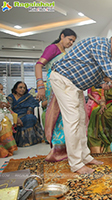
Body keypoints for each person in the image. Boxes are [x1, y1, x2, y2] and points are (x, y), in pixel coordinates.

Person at [49, 34, 112, 174]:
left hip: (74, 85)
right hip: (63, 80)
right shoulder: (100, 44)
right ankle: (76, 164)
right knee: (73, 122)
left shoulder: (102, 53)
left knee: (82, 121)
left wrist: (101, 84)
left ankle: (85, 156)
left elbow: (90, 75)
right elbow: (110, 71)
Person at [35, 28, 77, 162]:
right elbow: (38, 65)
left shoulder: (64, 52)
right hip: (54, 86)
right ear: (62, 36)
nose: (71, 43)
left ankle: (63, 150)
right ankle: (56, 151)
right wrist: (40, 85)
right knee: (57, 116)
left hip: (64, 87)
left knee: (65, 117)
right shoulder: (53, 48)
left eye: (73, 41)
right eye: (70, 39)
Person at [7, 82, 44, 147]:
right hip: (14, 115)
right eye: (20, 87)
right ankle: (20, 141)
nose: (22, 89)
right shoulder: (11, 97)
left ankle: (30, 141)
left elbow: (34, 103)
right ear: (15, 89)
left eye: (24, 88)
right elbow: (9, 108)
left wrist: (30, 109)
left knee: (30, 117)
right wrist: (15, 117)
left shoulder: (28, 97)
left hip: (25, 114)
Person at [0, 83, 18, 158]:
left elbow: (9, 109)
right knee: (5, 123)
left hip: (3, 116)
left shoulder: (3, 98)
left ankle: (8, 149)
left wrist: (6, 105)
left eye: (1, 89)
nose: (1, 92)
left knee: (6, 122)